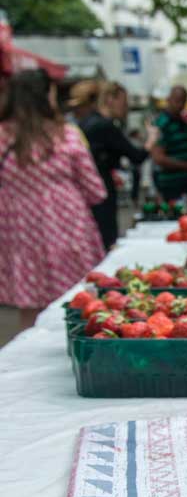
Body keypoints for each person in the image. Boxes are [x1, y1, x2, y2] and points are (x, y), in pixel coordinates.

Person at [0, 69, 107, 332]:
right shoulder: (66, 135)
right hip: (69, 229)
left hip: (19, 234)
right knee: (79, 304)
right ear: (45, 96)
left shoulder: (2, 137)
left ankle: (28, 366)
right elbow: (96, 190)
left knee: (30, 312)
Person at [78, 81, 156, 250]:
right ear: (110, 99)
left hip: (87, 189)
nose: (126, 108)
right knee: (106, 239)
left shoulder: (88, 122)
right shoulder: (105, 126)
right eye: (124, 102)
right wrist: (151, 139)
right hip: (101, 189)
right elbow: (136, 156)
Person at [150, 85, 187, 203]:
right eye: (177, 101)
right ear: (168, 100)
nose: (180, 105)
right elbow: (158, 158)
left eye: (183, 101)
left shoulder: (183, 122)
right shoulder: (160, 123)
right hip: (170, 185)